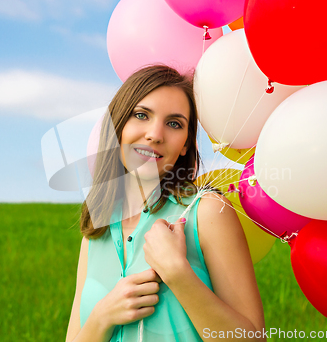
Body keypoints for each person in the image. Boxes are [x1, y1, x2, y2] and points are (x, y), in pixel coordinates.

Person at [65, 65, 265, 342]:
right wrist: (102, 317)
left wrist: (177, 273)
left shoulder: (206, 213)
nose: (155, 134)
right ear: (117, 126)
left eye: (174, 124)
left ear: (185, 144)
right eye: (141, 115)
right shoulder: (96, 233)